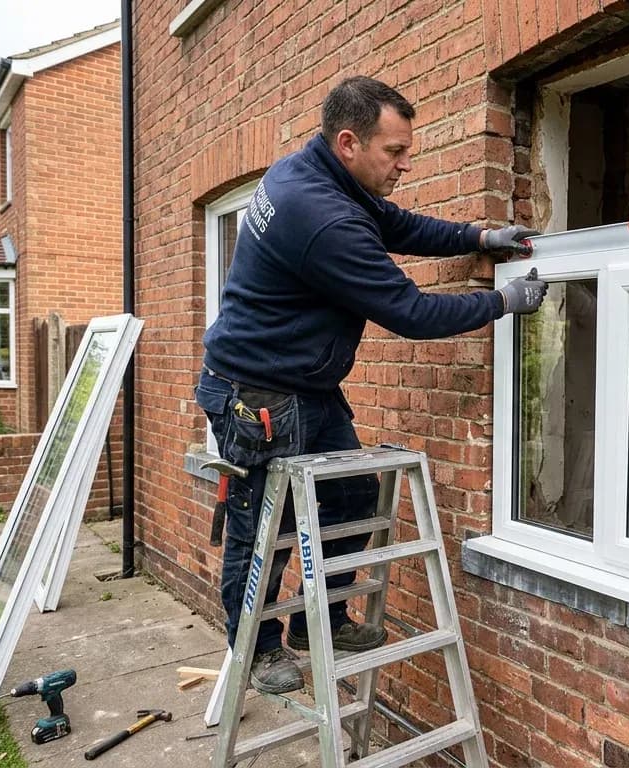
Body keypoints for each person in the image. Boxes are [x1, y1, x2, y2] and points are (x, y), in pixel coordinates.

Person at [195, 76, 548, 694]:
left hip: (303, 387)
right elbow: (410, 313)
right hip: (259, 397)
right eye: (396, 152)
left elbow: (394, 223)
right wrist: (502, 301)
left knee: (354, 495)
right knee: (264, 529)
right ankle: (254, 650)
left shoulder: (313, 172)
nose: (405, 163)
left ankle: (318, 619)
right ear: (350, 142)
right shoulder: (322, 219)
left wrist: (477, 237)